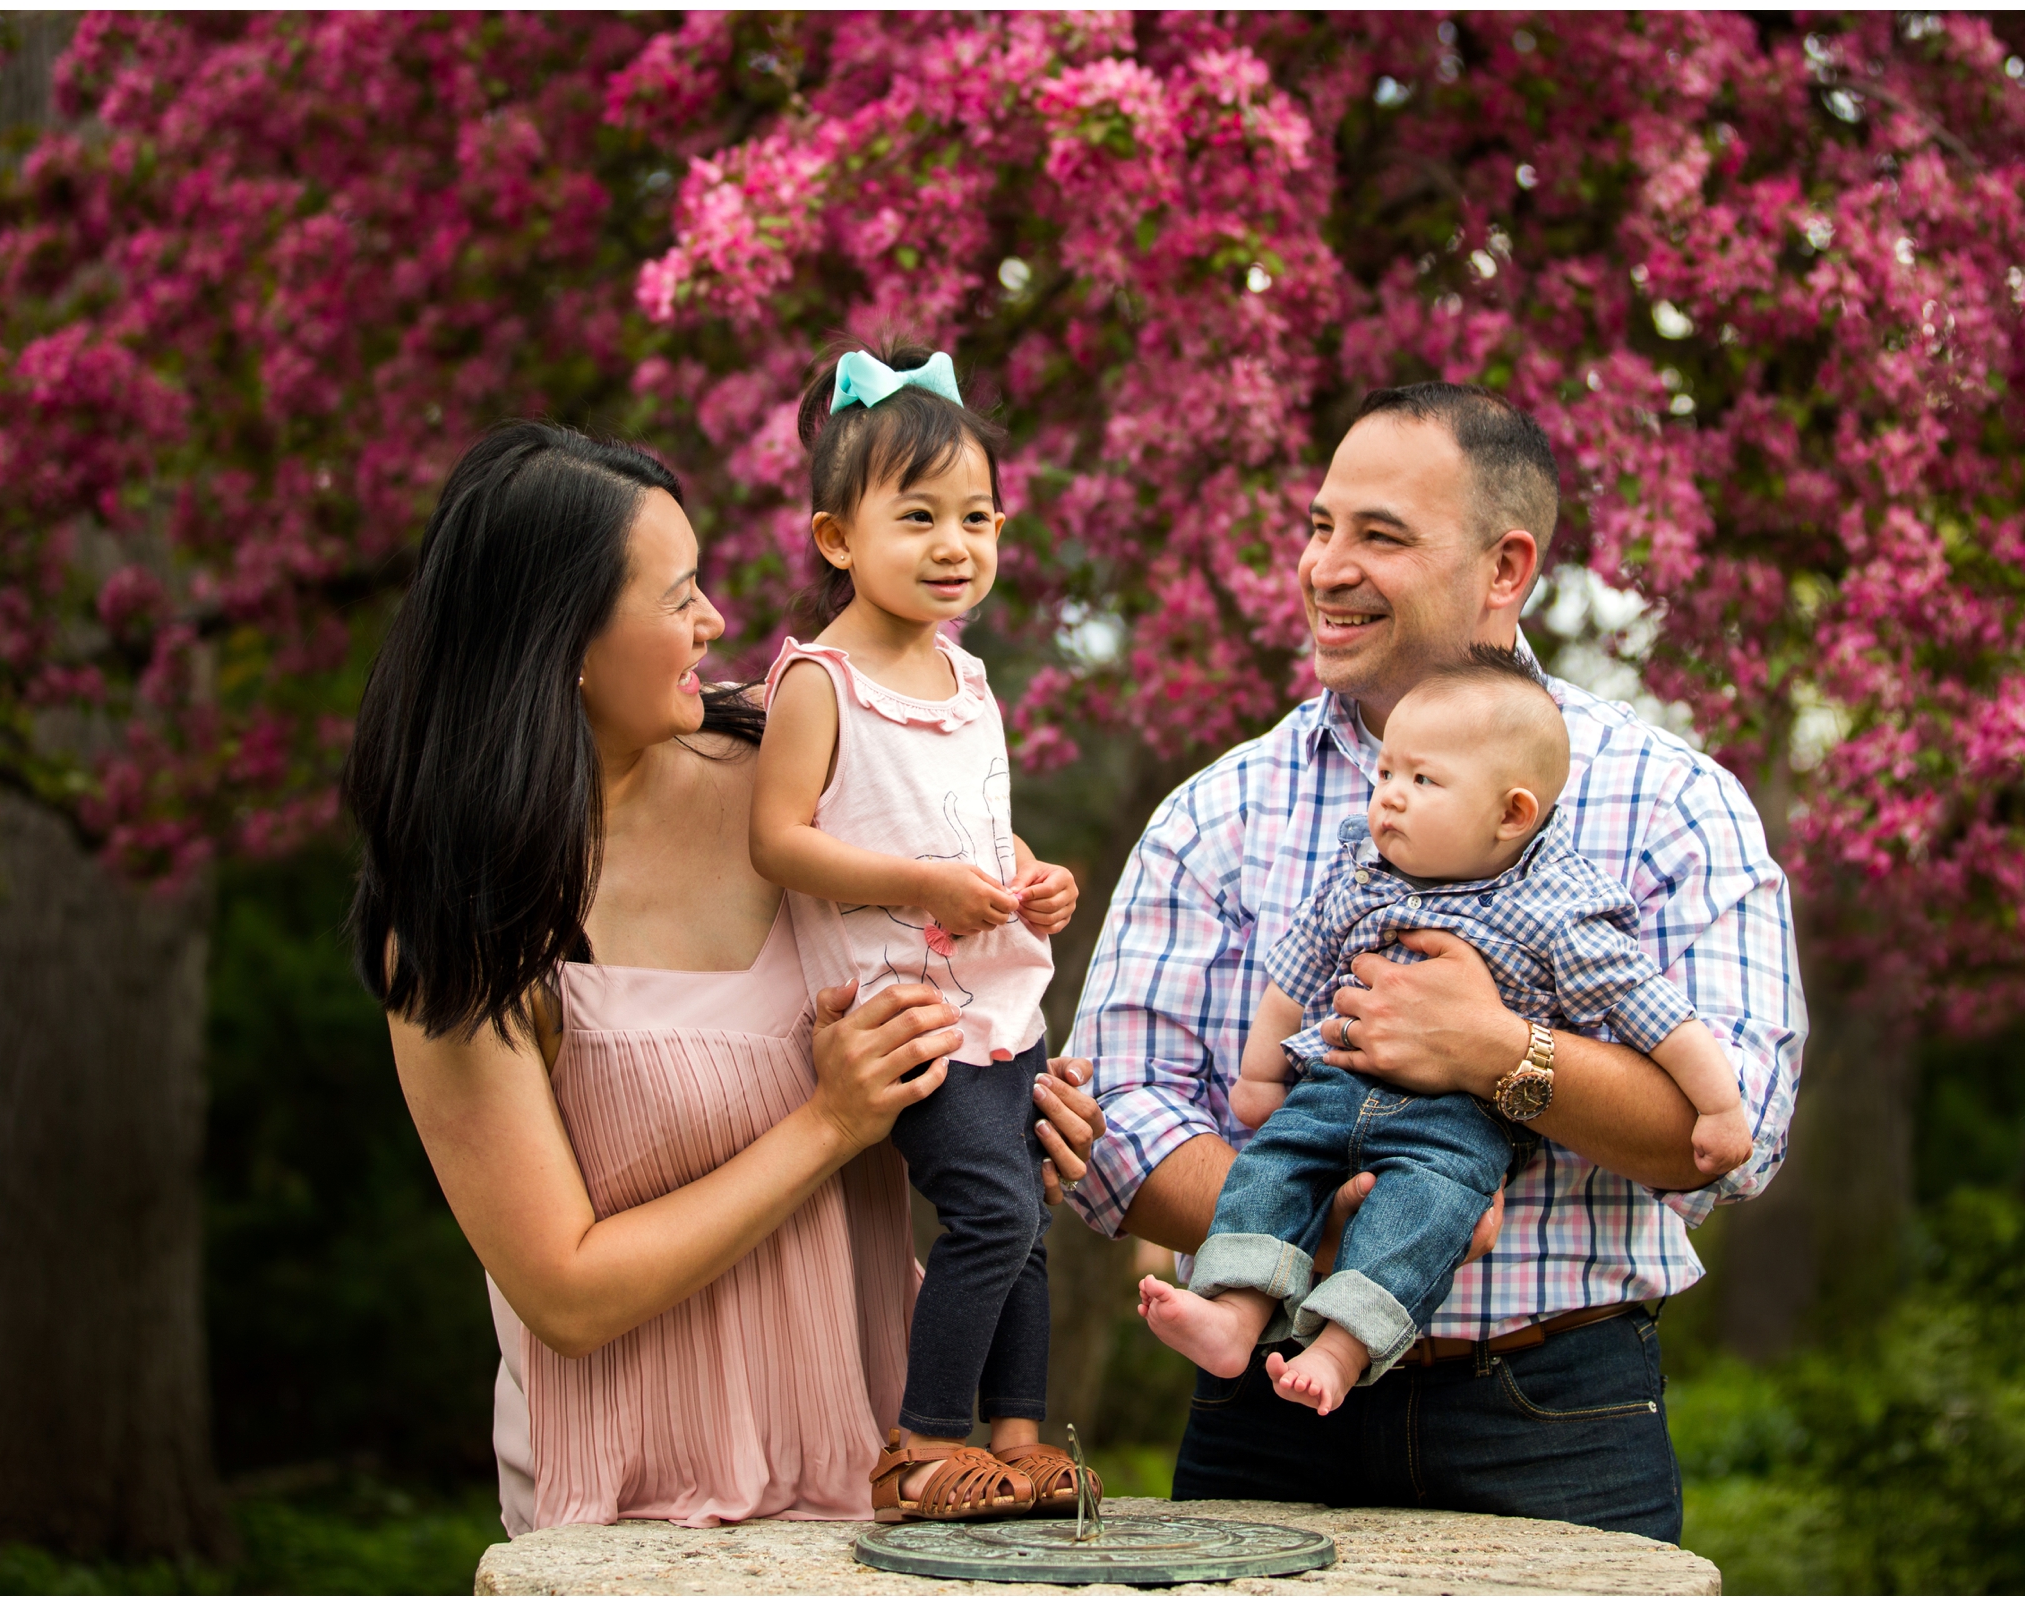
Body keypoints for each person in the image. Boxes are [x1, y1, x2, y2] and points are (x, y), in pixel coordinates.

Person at [1069, 384, 1805, 1542]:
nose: (1326, 567)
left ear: (1505, 568)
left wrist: (1499, 1054)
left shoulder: (1669, 805)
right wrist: (1324, 1217)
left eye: (1380, 535)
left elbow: (1736, 1134)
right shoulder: (1219, 812)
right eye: (1320, 527)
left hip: (1554, 1415)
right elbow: (1110, 1106)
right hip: (1265, 1409)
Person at [342, 420, 1104, 1534]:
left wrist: (1008, 1106)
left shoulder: (789, 766)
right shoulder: (466, 926)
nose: (717, 621)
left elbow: (964, 936)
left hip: (889, 1501)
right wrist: (831, 1119)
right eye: (678, 596)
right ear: (566, 642)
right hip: (644, 1524)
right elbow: (567, 1289)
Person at [1139, 647, 1750, 1417]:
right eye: (1387, 774)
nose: (1389, 798)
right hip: (1331, 1086)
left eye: (1422, 782)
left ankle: (1339, 1346)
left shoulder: (1555, 910)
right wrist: (1262, 1076)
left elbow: (1652, 1013)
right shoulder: (1360, 875)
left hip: (1456, 1126)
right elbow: (1292, 975)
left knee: (1426, 1211)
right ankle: (1234, 1313)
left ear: (1511, 814)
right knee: (1271, 1167)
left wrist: (1721, 1109)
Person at [749, 345, 1091, 1522]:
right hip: (904, 1011)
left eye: (979, 517)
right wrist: (921, 882)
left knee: (1026, 1209)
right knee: (989, 1208)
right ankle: (921, 1443)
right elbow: (780, 841)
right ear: (837, 537)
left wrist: (1031, 877)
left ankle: (1016, 1436)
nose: (958, 544)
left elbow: (978, 828)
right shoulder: (821, 682)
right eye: (921, 517)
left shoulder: (967, 676)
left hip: (997, 999)